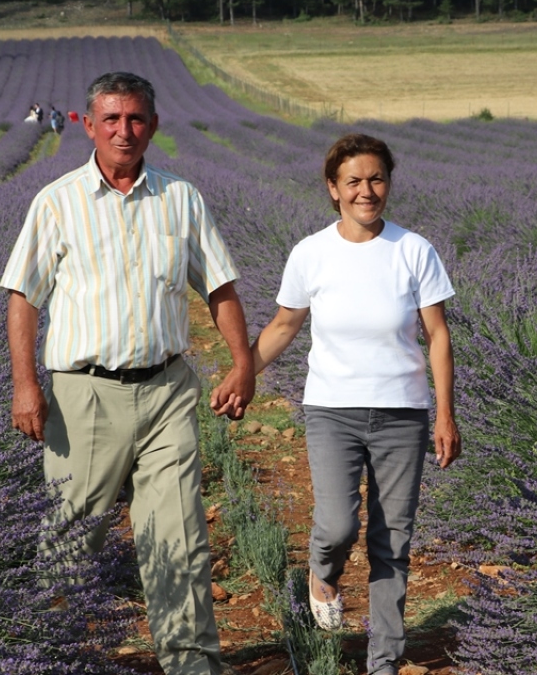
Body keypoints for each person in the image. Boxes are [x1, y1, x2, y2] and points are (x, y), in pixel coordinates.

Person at [0, 71, 254, 675]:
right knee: (71, 537)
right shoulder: (57, 202)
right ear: (88, 125)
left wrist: (244, 364)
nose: (124, 130)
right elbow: (24, 298)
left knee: (179, 538)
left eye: (136, 118)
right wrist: (25, 384)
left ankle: (191, 662)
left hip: (167, 389)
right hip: (84, 396)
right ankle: (52, 658)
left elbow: (219, 286)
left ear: (154, 125)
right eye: (111, 119)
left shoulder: (181, 198)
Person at [230, 133, 461, 675]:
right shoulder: (311, 252)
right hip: (332, 411)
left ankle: (384, 660)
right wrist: (242, 374)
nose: (366, 190)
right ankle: (323, 574)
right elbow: (284, 325)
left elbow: (439, 336)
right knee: (337, 526)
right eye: (353, 181)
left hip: (402, 412)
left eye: (376, 179)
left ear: (389, 184)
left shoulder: (414, 249)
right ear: (333, 188)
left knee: (392, 539)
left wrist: (445, 414)